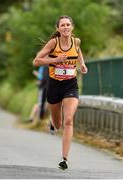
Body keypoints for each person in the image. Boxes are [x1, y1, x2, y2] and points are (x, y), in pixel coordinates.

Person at [33, 15, 88, 170]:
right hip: (54, 85)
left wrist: (82, 64)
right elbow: (36, 61)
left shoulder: (76, 41)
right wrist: (55, 60)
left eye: (68, 24)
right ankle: (52, 121)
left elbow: (78, 51)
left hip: (71, 85)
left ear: (72, 27)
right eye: (62, 25)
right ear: (58, 28)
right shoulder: (53, 43)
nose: (65, 27)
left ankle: (64, 159)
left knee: (69, 120)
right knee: (57, 124)